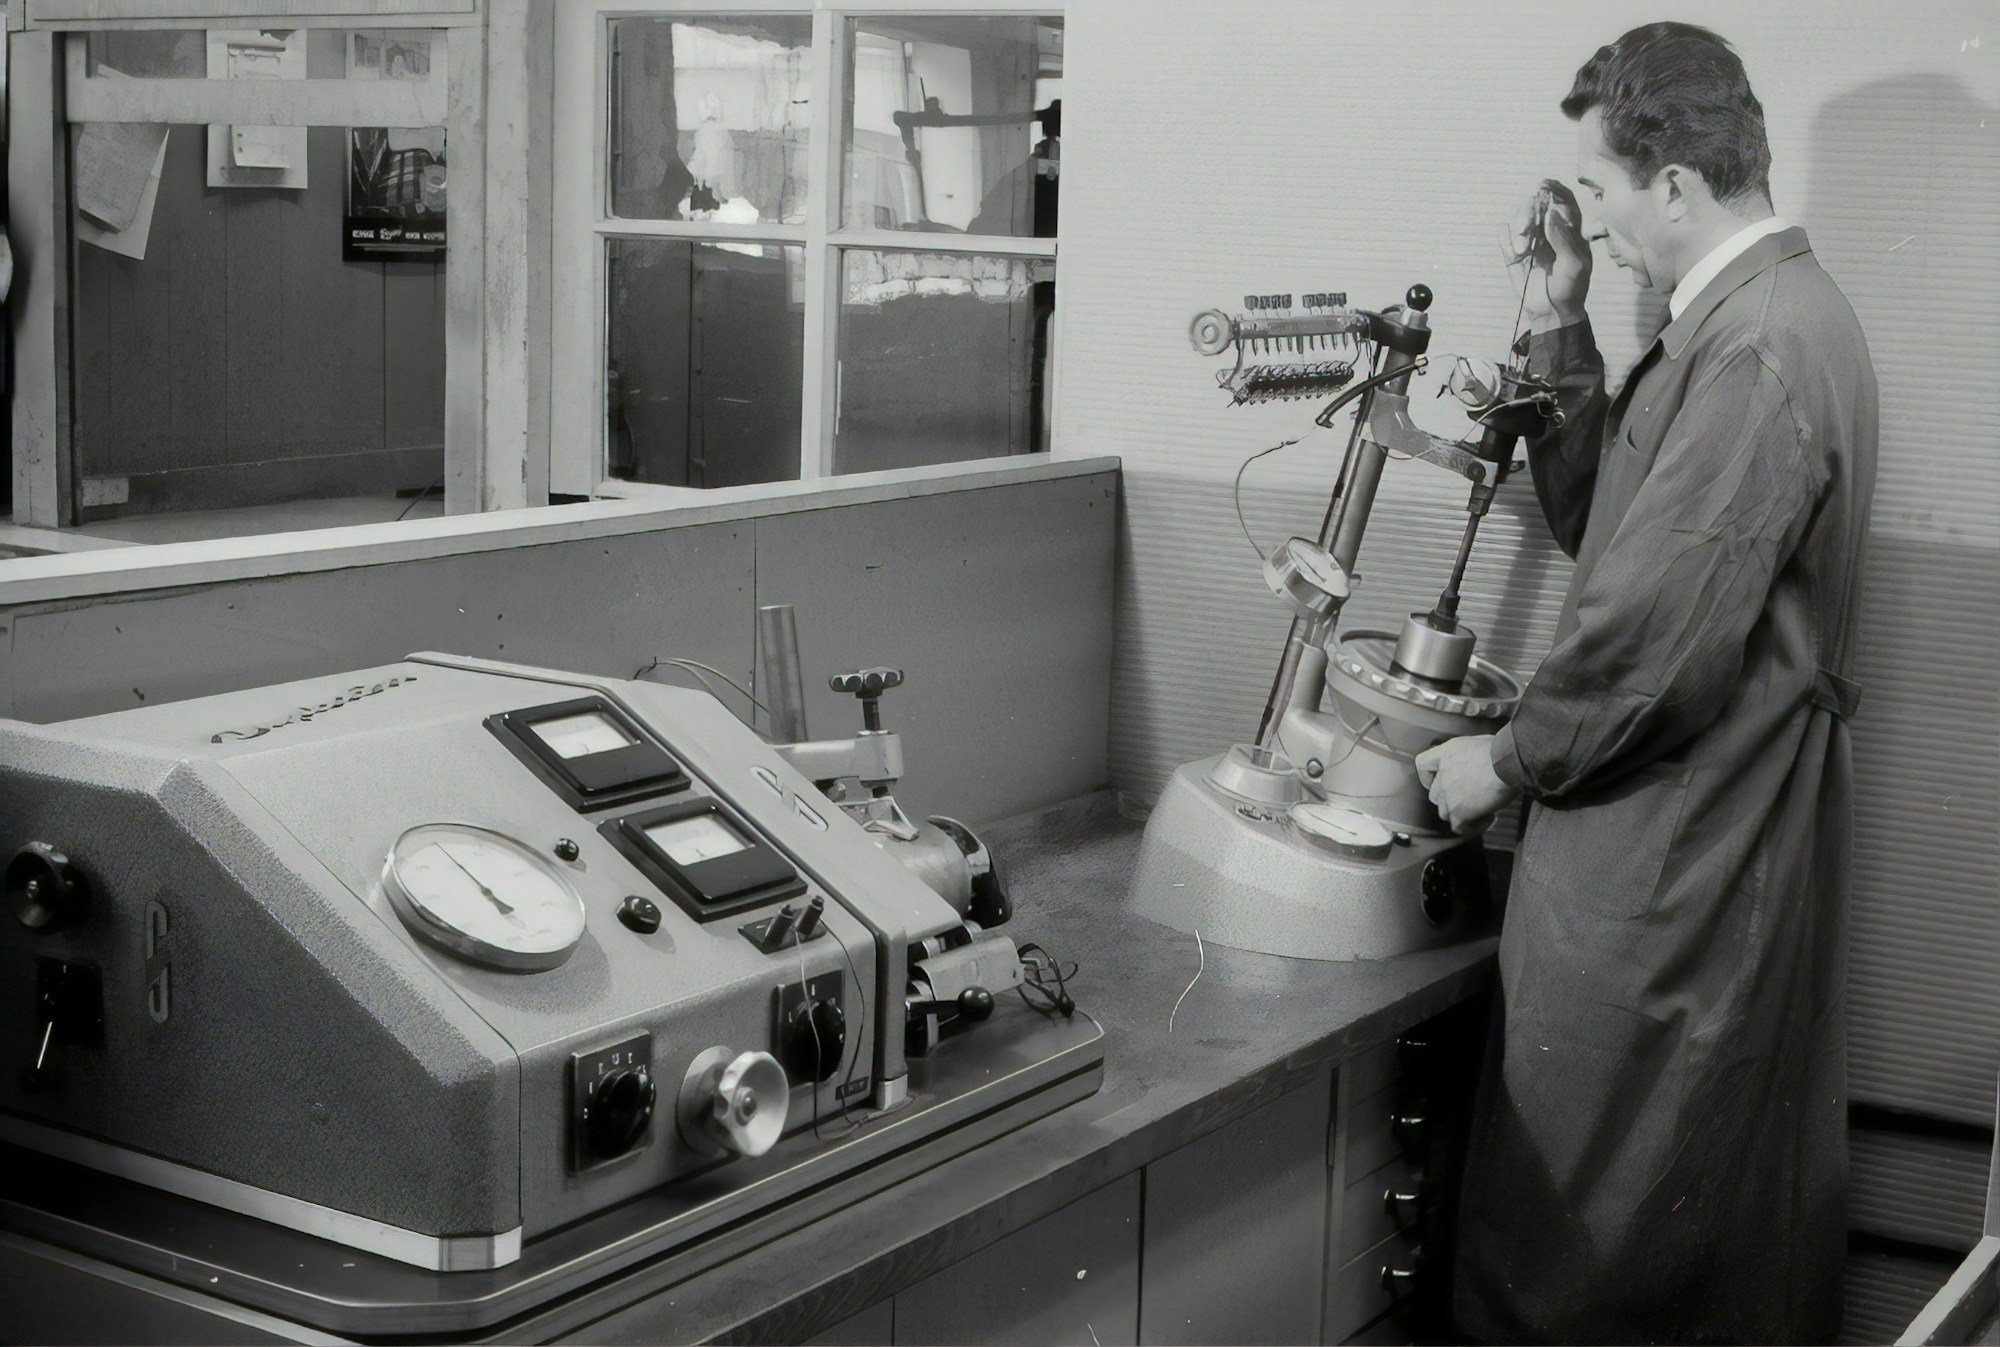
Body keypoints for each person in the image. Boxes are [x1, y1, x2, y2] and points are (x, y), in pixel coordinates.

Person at [1413, 22, 1878, 1344]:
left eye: (1605, 194)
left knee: (1586, 1253)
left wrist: (1499, 759)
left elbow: (1649, 640)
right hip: (1693, 830)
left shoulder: (1760, 349)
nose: (1598, 224)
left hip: (1671, 851)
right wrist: (1562, 322)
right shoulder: (1745, 320)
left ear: (1675, 183)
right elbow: (1617, 532)